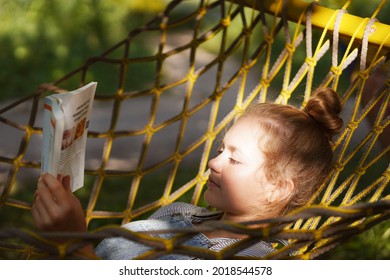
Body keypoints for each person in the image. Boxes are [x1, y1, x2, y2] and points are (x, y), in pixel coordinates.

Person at [31, 87, 343, 259]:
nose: (214, 163)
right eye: (222, 150)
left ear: (277, 188)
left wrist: (73, 246)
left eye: (235, 160)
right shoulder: (178, 214)